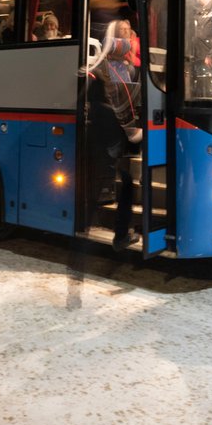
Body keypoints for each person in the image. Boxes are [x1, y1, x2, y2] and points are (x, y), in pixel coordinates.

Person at [83, 19, 143, 252]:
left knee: (125, 184)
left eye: (127, 38)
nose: (124, 42)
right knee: (113, 185)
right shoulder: (101, 70)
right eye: (120, 38)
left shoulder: (130, 70)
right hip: (110, 137)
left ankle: (119, 234)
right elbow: (101, 103)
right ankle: (111, 234)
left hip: (121, 138)